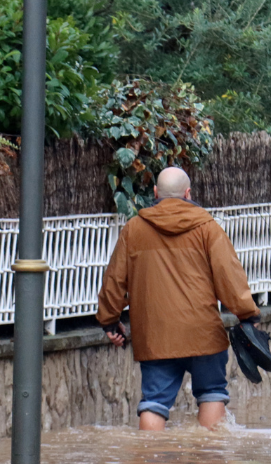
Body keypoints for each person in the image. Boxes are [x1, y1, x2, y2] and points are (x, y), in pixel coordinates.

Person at [97, 166, 261, 431]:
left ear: (154, 193)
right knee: (212, 393)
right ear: (188, 193)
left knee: (153, 402)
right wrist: (248, 314)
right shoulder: (207, 227)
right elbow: (229, 276)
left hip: (155, 334)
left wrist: (109, 320)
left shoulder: (134, 229)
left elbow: (115, 279)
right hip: (203, 332)